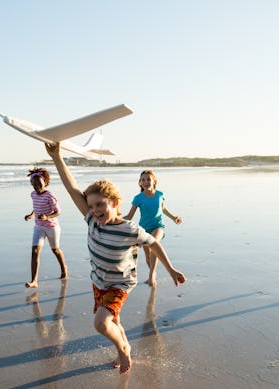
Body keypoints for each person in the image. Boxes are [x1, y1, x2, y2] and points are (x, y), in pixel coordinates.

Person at [45, 143, 185, 374]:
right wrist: (57, 156)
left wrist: (170, 270)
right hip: (99, 280)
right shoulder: (91, 219)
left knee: (101, 323)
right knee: (114, 321)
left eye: (101, 204)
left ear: (115, 203)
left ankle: (123, 348)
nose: (95, 210)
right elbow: (72, 189)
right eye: (91, 206)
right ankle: (124, 345)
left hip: (120, 283)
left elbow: (154, 244)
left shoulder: (130, 229)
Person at [124, 170, 183, 286]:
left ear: (154, 181)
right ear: (140, 183)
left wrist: (173, 217)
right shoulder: (138, 198)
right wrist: (114, 220)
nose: (146, 182)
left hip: (158, 226)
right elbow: (129, 216)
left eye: (148, 179)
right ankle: (153, 273)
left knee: (154, 244)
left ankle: (151, 276)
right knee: (148, 256)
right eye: (143, 180)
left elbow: (163, 209)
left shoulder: (160, 195)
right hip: (144, 229)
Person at [24, 167, 67, 288]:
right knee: (35, 251)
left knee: (55, 250)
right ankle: (34, 281)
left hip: (52, 227)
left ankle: (64, 269)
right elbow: (36, 207)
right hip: (38, 227)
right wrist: (31, 215)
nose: (37, 186)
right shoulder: (33, 194)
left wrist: (47, 217)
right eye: (34, 184)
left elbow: (58, 212)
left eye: (39, 184)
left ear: (45, 182)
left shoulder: (50, 195)